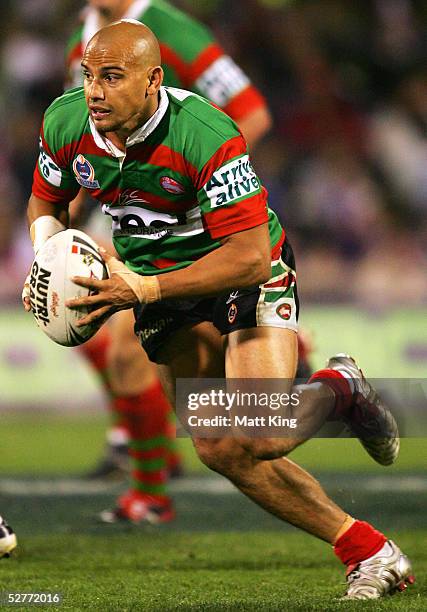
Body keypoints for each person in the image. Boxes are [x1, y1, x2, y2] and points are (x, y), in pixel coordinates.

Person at [23, 21, 414, 599]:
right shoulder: (65, 120)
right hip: (157, 282)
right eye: (88, 76)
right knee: (216, 445)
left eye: (112, 77)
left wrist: (144, 291)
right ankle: (368, 550)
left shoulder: (204, 134)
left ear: (154, 80)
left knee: (257, 431)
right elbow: (46, 200)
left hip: (238, 271)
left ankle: (338, 389)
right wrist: (47, 258)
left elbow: (252, 257)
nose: (96, 92)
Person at [63, 0, 278, 521]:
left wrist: (197, 186)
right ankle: (148, 477)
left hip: (190, 215)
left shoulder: (171, 29)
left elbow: (252, 111)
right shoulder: (88, 36)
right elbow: (80, 135)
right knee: (98, 331)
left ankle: (149, 482)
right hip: (126, 208)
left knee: (251, 427)